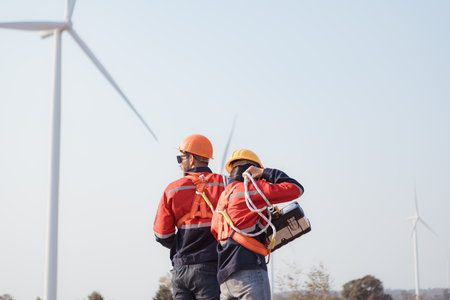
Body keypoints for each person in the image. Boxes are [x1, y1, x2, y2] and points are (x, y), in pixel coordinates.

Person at [211, 149, 304, 300]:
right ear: (252, 170)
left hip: (225, 281)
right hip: (250, 273)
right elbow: (296, 188)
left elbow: (219, 231)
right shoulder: (251, 190)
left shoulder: (222, 200)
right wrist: (264, 172)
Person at [154, 134, 225, 300]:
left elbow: (162, 235)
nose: (179, 163)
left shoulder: (172, 190)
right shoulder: (225, 184)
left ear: (191, 159)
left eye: (180, 158)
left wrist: (181, 244)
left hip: (181, 270)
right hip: (211, 267)